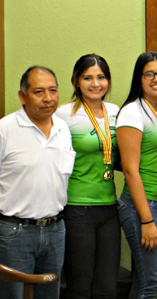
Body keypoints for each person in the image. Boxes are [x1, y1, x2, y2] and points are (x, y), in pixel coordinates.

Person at [0, 66, 75, 299]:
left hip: (55, 230)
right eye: (39, 92)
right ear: (23, 96)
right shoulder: (5, 129)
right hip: (15, 232)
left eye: (53, 90)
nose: (48, 98)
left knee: (50, 294)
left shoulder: (63, 129)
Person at [56, 54, 120, 299]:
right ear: (76, 81)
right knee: (79, 286)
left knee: (107, 286)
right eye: (88, 77)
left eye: (101, 77)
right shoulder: (63, 114)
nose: (96, 83)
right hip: (77, 208)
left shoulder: (115, 111)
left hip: (109, 208)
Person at [116, 51, 157, 299]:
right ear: (139, 78)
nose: (156, 78)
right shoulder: (131, 112)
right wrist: (146, 220)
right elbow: (130, 170)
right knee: (153, 283)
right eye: (149, 73)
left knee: (146, 281)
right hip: (143, 206)